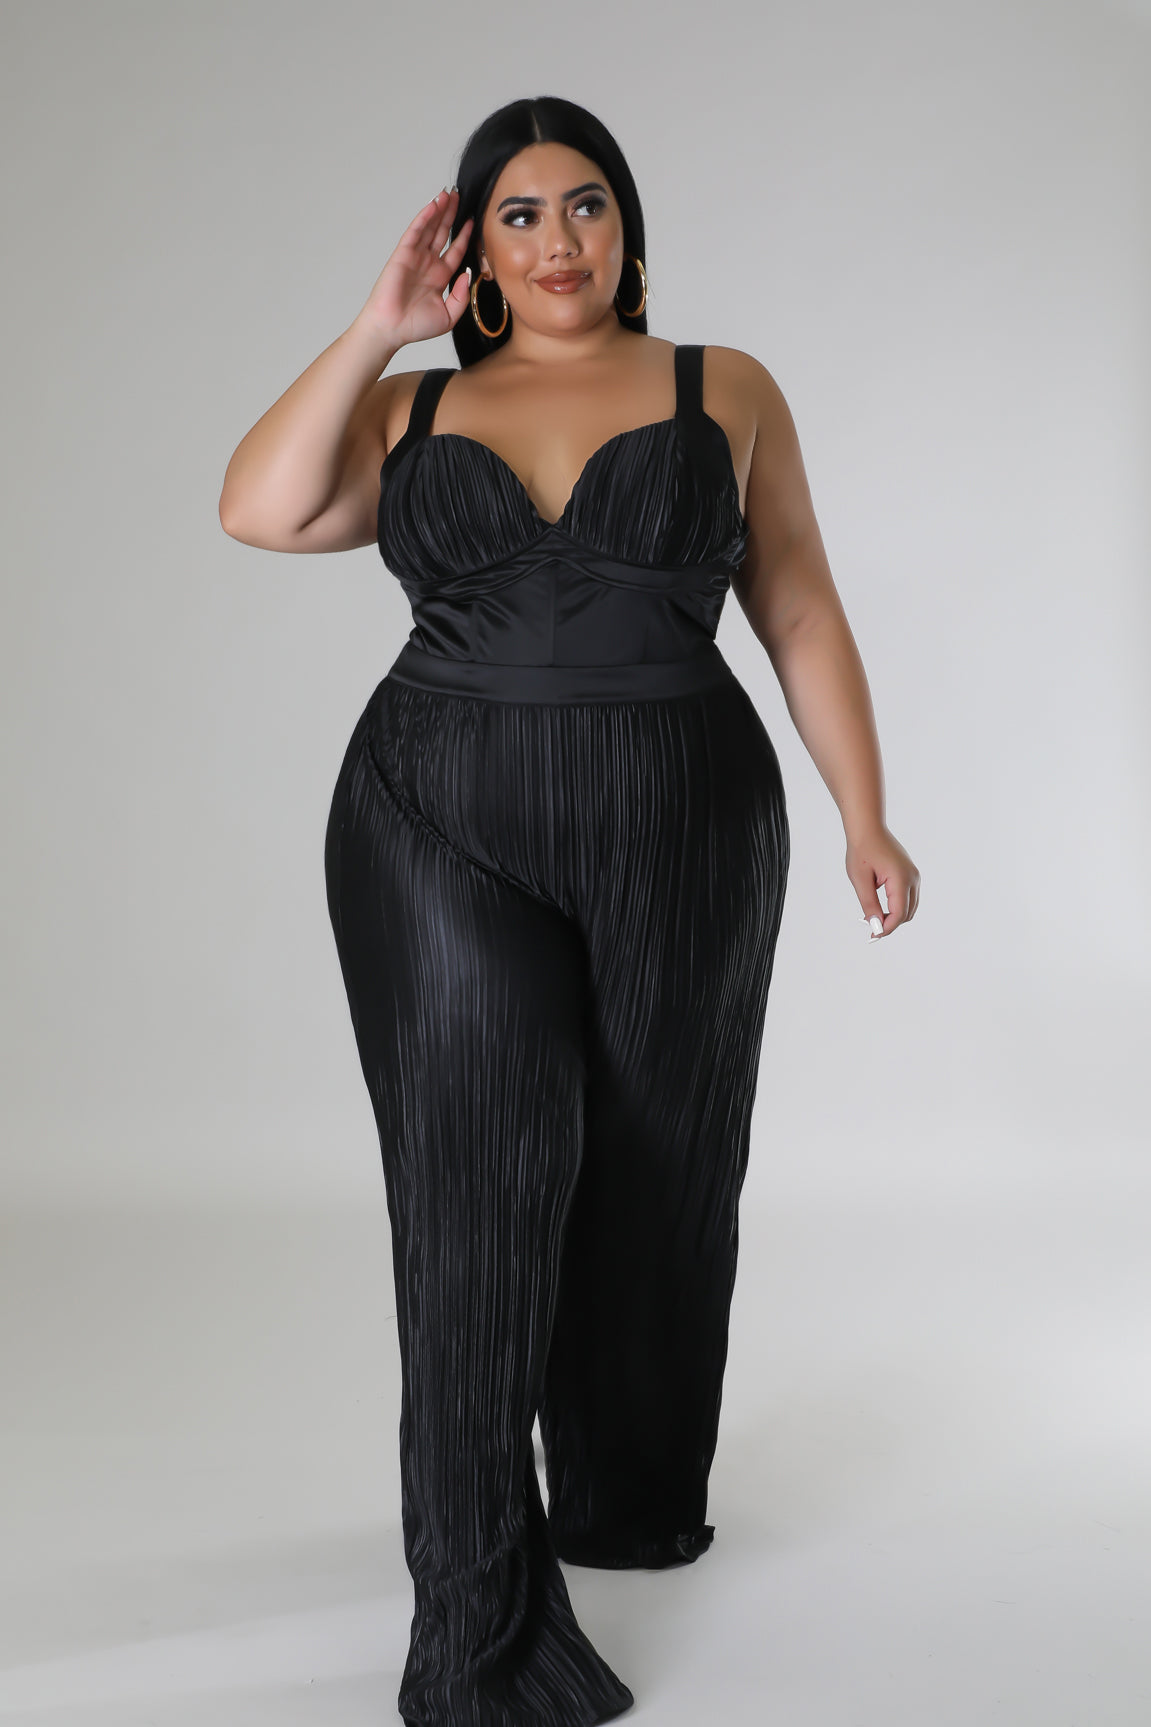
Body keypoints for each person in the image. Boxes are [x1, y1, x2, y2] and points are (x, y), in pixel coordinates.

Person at [219, 93, 919, 1727]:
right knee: (479, 1186)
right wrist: (376, 328)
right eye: (518, 214)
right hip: (433, 820)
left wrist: (864, 812)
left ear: (629, 229)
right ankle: (479, 1620)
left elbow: (797, 601)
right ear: (473, 247)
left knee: (662, 1168)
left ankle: (624, 1494)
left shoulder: (722, 389)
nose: (557, 240)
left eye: (585, 203)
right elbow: (259, 508)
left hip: (688, 829)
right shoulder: (409, 408)